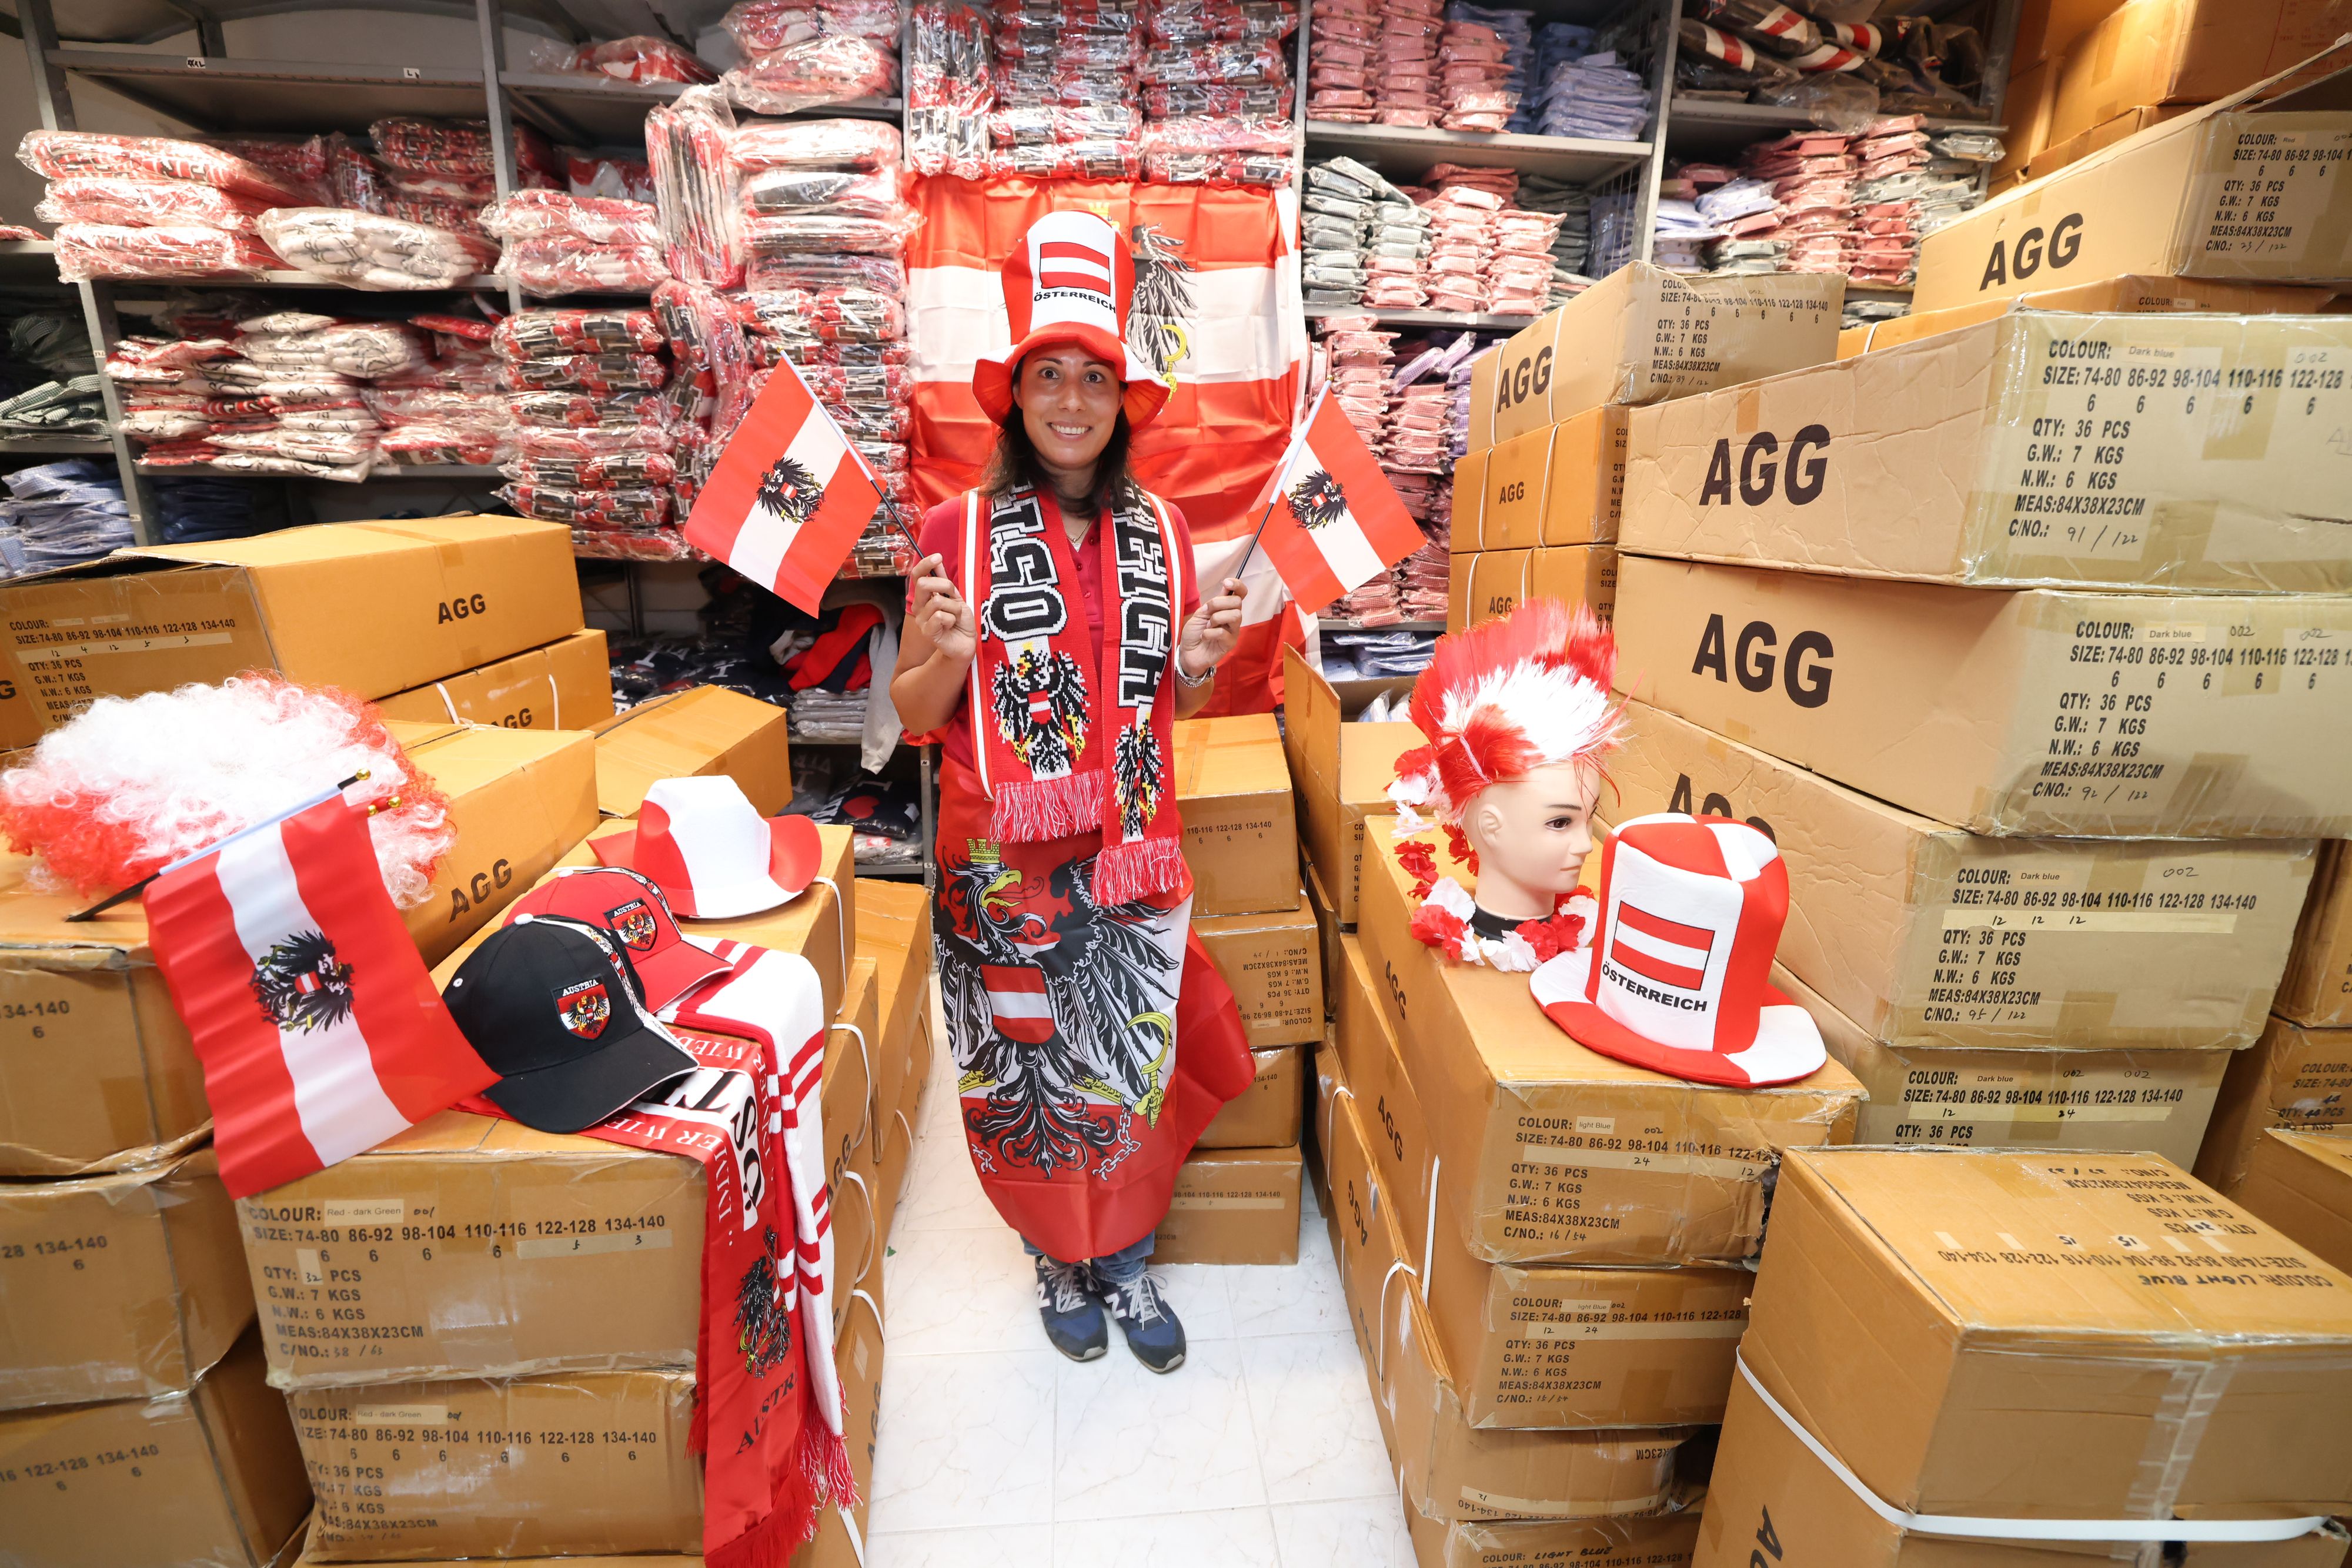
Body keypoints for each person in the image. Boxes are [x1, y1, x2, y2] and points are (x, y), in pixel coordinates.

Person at [889, 212, 1256, 1374]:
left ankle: (1126, 1249)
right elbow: (910, 710)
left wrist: (1196, 653)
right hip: (1000, 864)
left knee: (1128, 1056)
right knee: (1029, 1060)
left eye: (1092, 377)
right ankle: (1057, 1253)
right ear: (1015, 397)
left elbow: (1173, 705)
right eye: (1047, 375)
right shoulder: (956, 526)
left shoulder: (1164, 530)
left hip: (1130, 851)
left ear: (1119, 399)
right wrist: (944, 648)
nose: (1069, 399)